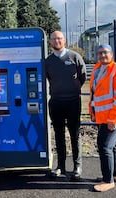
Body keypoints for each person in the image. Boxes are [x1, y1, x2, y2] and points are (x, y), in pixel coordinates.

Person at [45, 31, 87, 180]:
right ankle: (60, 166)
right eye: (54, 39)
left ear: (64, 40)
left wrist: (72, 90)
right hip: (56, 102)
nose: (57, 41)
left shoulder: (75, 57)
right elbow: (49, 78)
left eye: (60, 38)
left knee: (75, 135)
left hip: (73, 102)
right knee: (58, 135)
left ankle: (77, 166)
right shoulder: (48, 61)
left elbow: (83, 77)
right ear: (50, 42)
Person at [88, 44, 116, 192]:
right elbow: (94, 93)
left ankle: (108, 180)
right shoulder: (97, 69)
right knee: (114, 145)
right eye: (100, 53)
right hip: (102, 116)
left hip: (112, 118)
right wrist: (93, 112)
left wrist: (113, 119)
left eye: (105, 53)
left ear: (111, 54)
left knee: (104, 146)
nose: (102, 55)